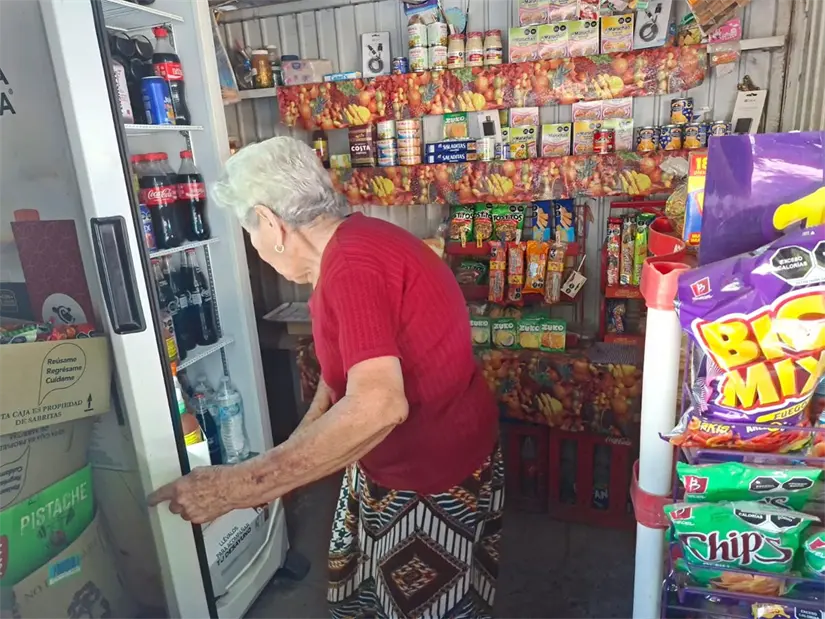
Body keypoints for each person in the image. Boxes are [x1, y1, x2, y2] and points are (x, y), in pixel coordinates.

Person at [148, 136, 503, 618]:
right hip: (407, 455)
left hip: (428, 473)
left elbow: (378, 405)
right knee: (363, 591)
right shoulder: (352, 244)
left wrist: (241, 486)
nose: (254, 246)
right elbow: (341, 378)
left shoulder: (352, 267)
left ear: (271, 225)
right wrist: (283, 463)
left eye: (249, 232)